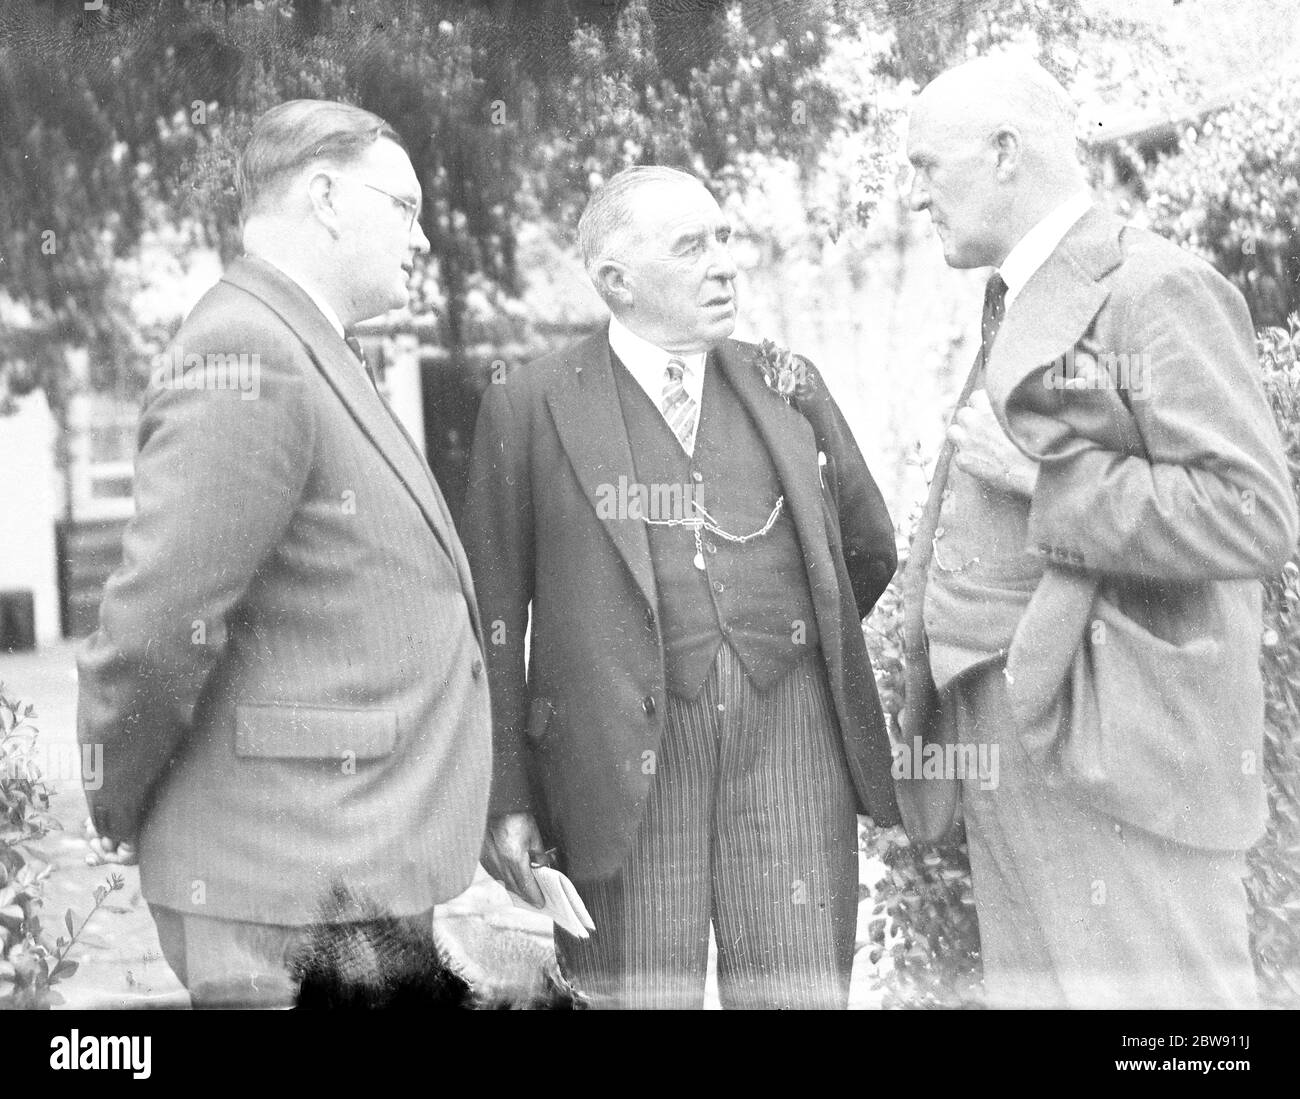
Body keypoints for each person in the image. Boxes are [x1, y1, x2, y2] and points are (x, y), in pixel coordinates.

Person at [76, 100, 492, 1006]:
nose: (423, 240)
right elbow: (158, 623)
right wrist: (117, 795)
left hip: (340, 875)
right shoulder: (249, 349)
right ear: (326, 197)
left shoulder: (308, 347)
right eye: (405, 207)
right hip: (285, 889)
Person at [903, 56, 1298, 1007]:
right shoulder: (1017, 291)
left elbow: (1253, 515)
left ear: (1005, 154)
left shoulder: (1156, 287)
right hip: (1019, 731)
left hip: (1119, 745)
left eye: (928, 168)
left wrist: (1051, 483)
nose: (919, 198)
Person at [462, 165, 899, 1009]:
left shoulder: (788, 383)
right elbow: (493, 621)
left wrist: (783, 646)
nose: (724, 264)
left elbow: (866, 550)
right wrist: (507, 794)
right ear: (614, 279)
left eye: (725, 238)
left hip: (792, 750)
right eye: (692, 246)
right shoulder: (528, 406)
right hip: (619, 767)